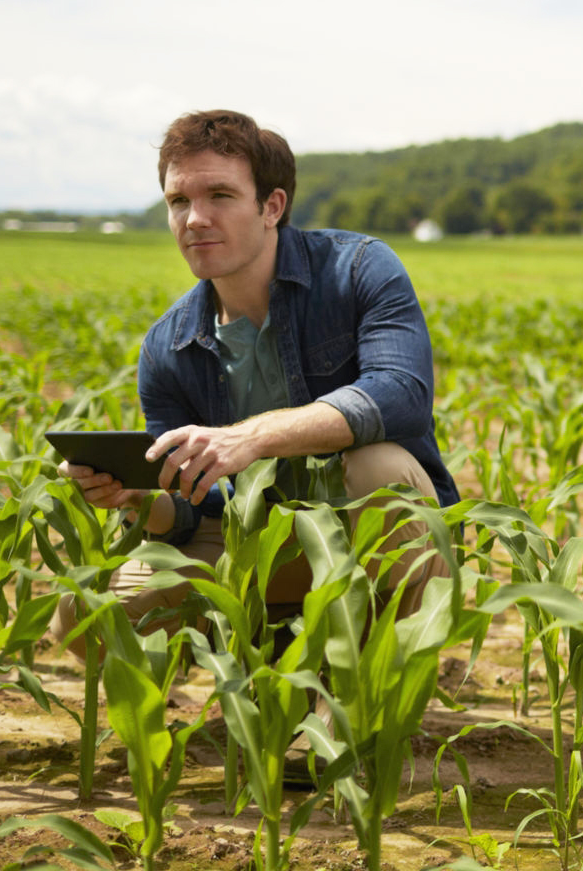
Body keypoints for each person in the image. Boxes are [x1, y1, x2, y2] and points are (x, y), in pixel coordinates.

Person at [52, 109, 460, 653]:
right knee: (83, 617)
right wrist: (137, 497)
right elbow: (191, 511)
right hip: (252, 537)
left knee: (378, 467)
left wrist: (251, 437)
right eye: (179, 201)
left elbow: (399, 393)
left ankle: (379, 683)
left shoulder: (359, 269)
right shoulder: (167, 346)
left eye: (219, 196)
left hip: (359, 523)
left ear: (271, 206)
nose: (194, 218)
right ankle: (268, 658)